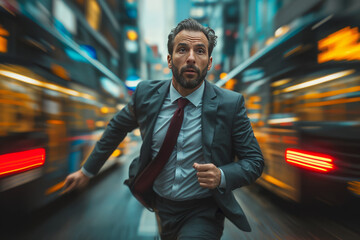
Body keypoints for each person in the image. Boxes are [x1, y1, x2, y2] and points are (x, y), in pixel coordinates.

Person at [63, 18, 264, 239]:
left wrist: (222, 175)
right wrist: (86, 171)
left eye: (199, 51)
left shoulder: (230, 104)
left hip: (204, 210)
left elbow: (254, 161)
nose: (190, 58)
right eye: (182, 50)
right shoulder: (145, 95)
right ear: (169, 60)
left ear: (209, 62)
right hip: (161, 206)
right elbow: (116, 129)